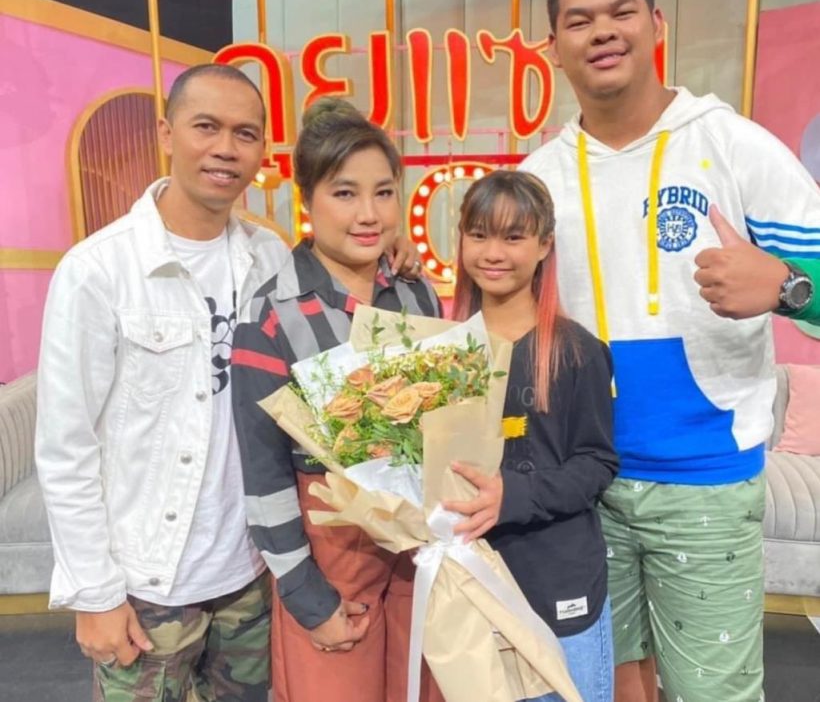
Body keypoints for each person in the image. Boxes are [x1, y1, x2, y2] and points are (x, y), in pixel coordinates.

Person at [34, 65, 420, 702]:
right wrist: (94, 593)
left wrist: (390, 245)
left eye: (245, 133)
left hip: (249, 574)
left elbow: (342, 259)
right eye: (206, 127)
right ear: (166, 133)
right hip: (147, 582)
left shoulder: (267, 255)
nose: (225, 149)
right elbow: (65, 446)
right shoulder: (99, 269)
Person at [518, 0, 820, 702]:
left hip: (705, 483)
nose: (602, 31)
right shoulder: (537, 178)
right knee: (603, 685)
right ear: (553, 48)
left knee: (714, 694)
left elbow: (810, 285)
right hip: (580, 485)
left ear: (656, 24)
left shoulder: (732, 145)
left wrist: (787, 287)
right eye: (579, 21)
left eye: (621, 12)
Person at [231, 98, 444, 702]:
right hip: (329, 554)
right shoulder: (270, 316)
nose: (368, 214)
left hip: (419, 549)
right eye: (345, 193)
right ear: (307, 200)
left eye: (384, 193)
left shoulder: (416, 295)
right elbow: (263, 473)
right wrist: (305, 594)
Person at [444, 170, 619, 702]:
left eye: (513, 236)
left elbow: (596, 464)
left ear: (544, 245)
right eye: (479, 234)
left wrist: (514, 496)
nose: (493, 253)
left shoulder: (577, 351)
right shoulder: (444, 351)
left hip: (559, 585)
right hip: (471, 585)